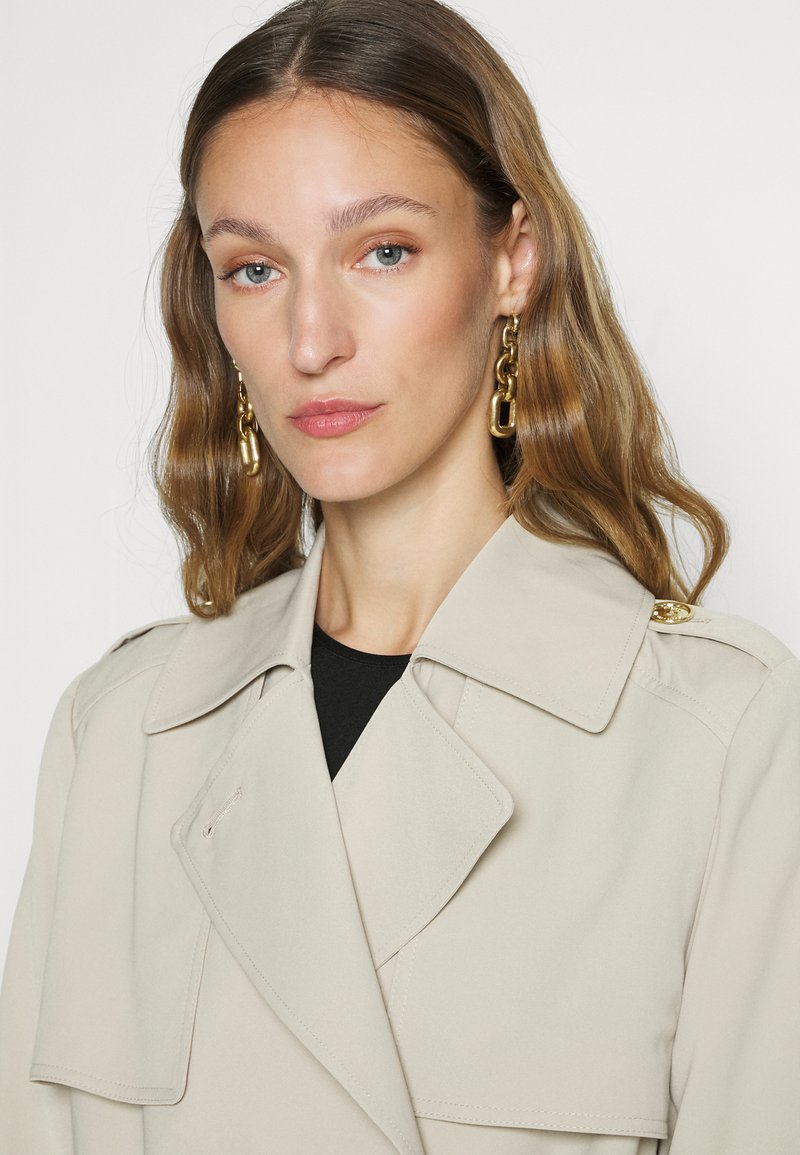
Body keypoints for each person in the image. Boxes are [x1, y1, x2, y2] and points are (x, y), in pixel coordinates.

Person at [0, 0, 797, 1151]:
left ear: (511, 261)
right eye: (254, 268)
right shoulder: (120, 735)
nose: (310, 340)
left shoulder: (718, 737)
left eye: (382, 250)